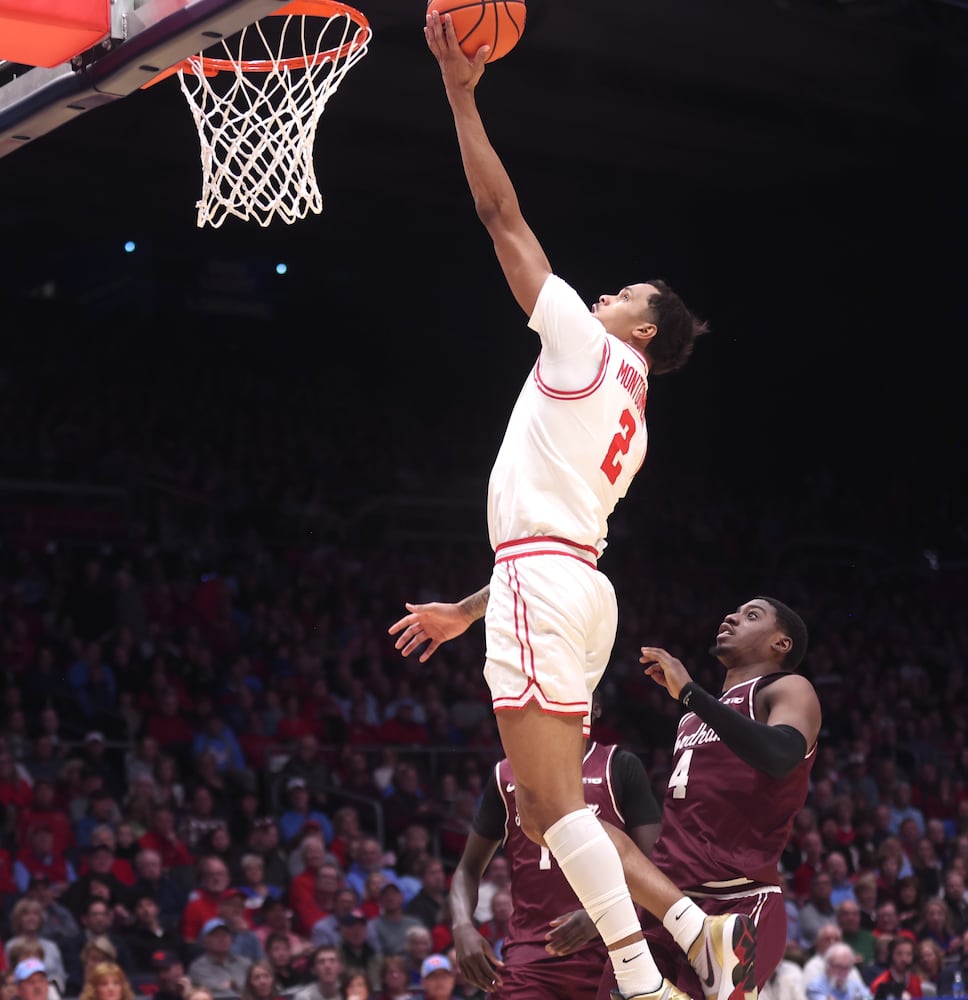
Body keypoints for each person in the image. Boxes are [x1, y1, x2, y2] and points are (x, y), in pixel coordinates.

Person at [392, 10, 719, 1000]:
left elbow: (502, 218)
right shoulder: (638, 417)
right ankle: (665, 950)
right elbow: (549, 533)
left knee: (543, 805)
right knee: (540, 809)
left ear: (642, 323)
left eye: (622, 290)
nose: (603, 292)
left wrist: (459, 93)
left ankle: (667, 942)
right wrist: (471, 603)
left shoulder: (586, 344)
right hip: (564, 584)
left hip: (547, 586)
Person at [449, 704, 661, 1000]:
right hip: (531, 958)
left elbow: (655, 867)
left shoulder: (618, 766)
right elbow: (467, 870)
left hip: (612, 951)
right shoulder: (506, 774)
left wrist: (604, 914)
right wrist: (461, 927)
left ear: (596, 707)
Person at [804, 943, 872, 1000]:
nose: (842, 972)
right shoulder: (815, 986)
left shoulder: (854, 985)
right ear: (828, 966)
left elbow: (869, 997)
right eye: (838, 966)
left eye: (846, 968)